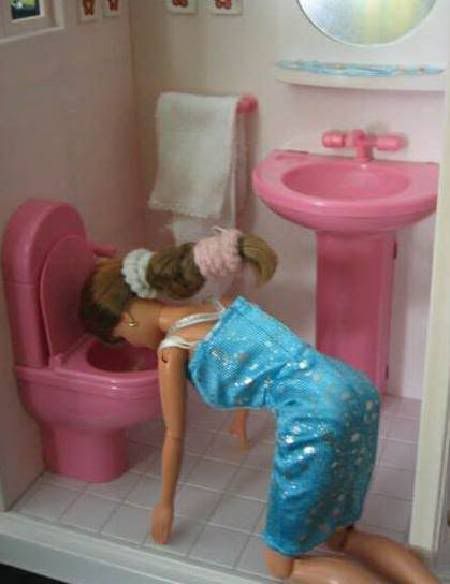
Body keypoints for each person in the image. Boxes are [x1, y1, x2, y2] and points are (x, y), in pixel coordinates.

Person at [80, 228, 438, 583]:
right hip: (353, 387)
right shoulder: (220, 305)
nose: (133, 343)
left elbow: (174, 435)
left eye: (123, 338)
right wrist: (241, 419)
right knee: (341, 536)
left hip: (316, 412)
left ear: (126, 319)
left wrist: (165, 505)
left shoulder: (172, 350)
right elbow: (252, 358)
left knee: (283, 564)